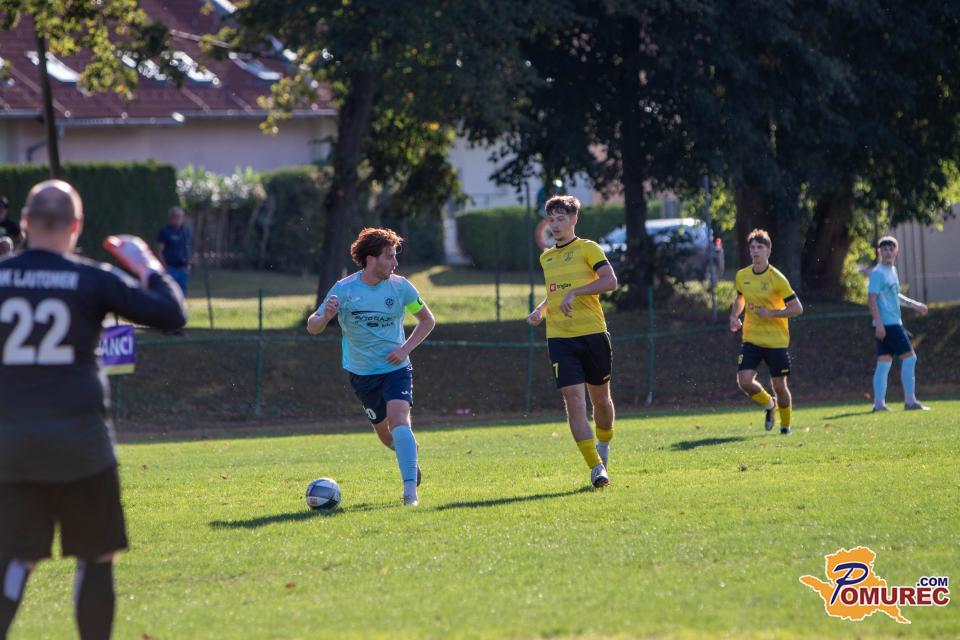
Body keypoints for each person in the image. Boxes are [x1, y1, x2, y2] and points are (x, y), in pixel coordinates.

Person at [0, 180, 186, 639]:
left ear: (24, 222)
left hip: (11, 446)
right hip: (81, 446)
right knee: (95, 557)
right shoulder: (91, 277)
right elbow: (171, 314)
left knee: (16, 559)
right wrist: (147, 264)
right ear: (76, 226)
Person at [306, 228, 435, 507]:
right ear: (370, 259)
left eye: (395, 256)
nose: (395, 263)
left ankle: (410, 493)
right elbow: (312, 326)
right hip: (362, 373)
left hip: (397, 369)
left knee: (399, 421)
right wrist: (325, 316)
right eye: (389, 257)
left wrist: (405, 350)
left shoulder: (401, 287)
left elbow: (427, 320)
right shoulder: (344, 289)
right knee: (386, 435)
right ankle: (407, 453)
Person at [526, 195, 618, 489]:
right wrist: (541, 310)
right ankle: (596, 468)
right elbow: (554, 292)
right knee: (574, 402)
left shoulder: (588, 248)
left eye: (561, 218)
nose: (555, 224)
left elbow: (610, 281)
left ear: (574, 219)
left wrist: (576, 293)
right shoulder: (546, 257)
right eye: (551, 219)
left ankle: (603, 446)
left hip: (592, 334)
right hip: (560, 339)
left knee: (601, 401)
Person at [729, 228, 804, 434]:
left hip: (776, 341)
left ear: (768, 250)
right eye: (752, 247)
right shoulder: (742, 275)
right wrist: (734, 316)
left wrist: (771, 313)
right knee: (744, 381)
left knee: (779, 385)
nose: (755, 251)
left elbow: (797, 308)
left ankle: (786, 426)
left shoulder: (777, 278)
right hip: (751, 338)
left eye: (759, 247)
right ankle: (770, 404)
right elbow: (740, 298)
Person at [867, 235, 930, 411]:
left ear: (896, 251)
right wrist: (879, 324)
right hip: (889, 325)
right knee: (910, 358)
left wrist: (915, 305)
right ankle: (910, 401)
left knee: (884, 362)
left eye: (890, 249)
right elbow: (871, 300)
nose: (888, 252)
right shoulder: (878, 273)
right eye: (884, 249)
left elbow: (895, 295)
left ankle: (879, 404)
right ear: (879, 252)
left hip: (891, 323)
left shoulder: (892, 270)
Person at [155, 206, 192, 295]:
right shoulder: (164, 232)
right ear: (171, 217)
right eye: (176, 216)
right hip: (170, 268)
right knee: (170, 293)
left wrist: (188, 264)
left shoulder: (186, 231)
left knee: (183, 293)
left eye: (180, 216)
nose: (178, 218)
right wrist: (164, 266)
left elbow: (188, 248)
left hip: (183, 268)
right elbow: (160, 250)